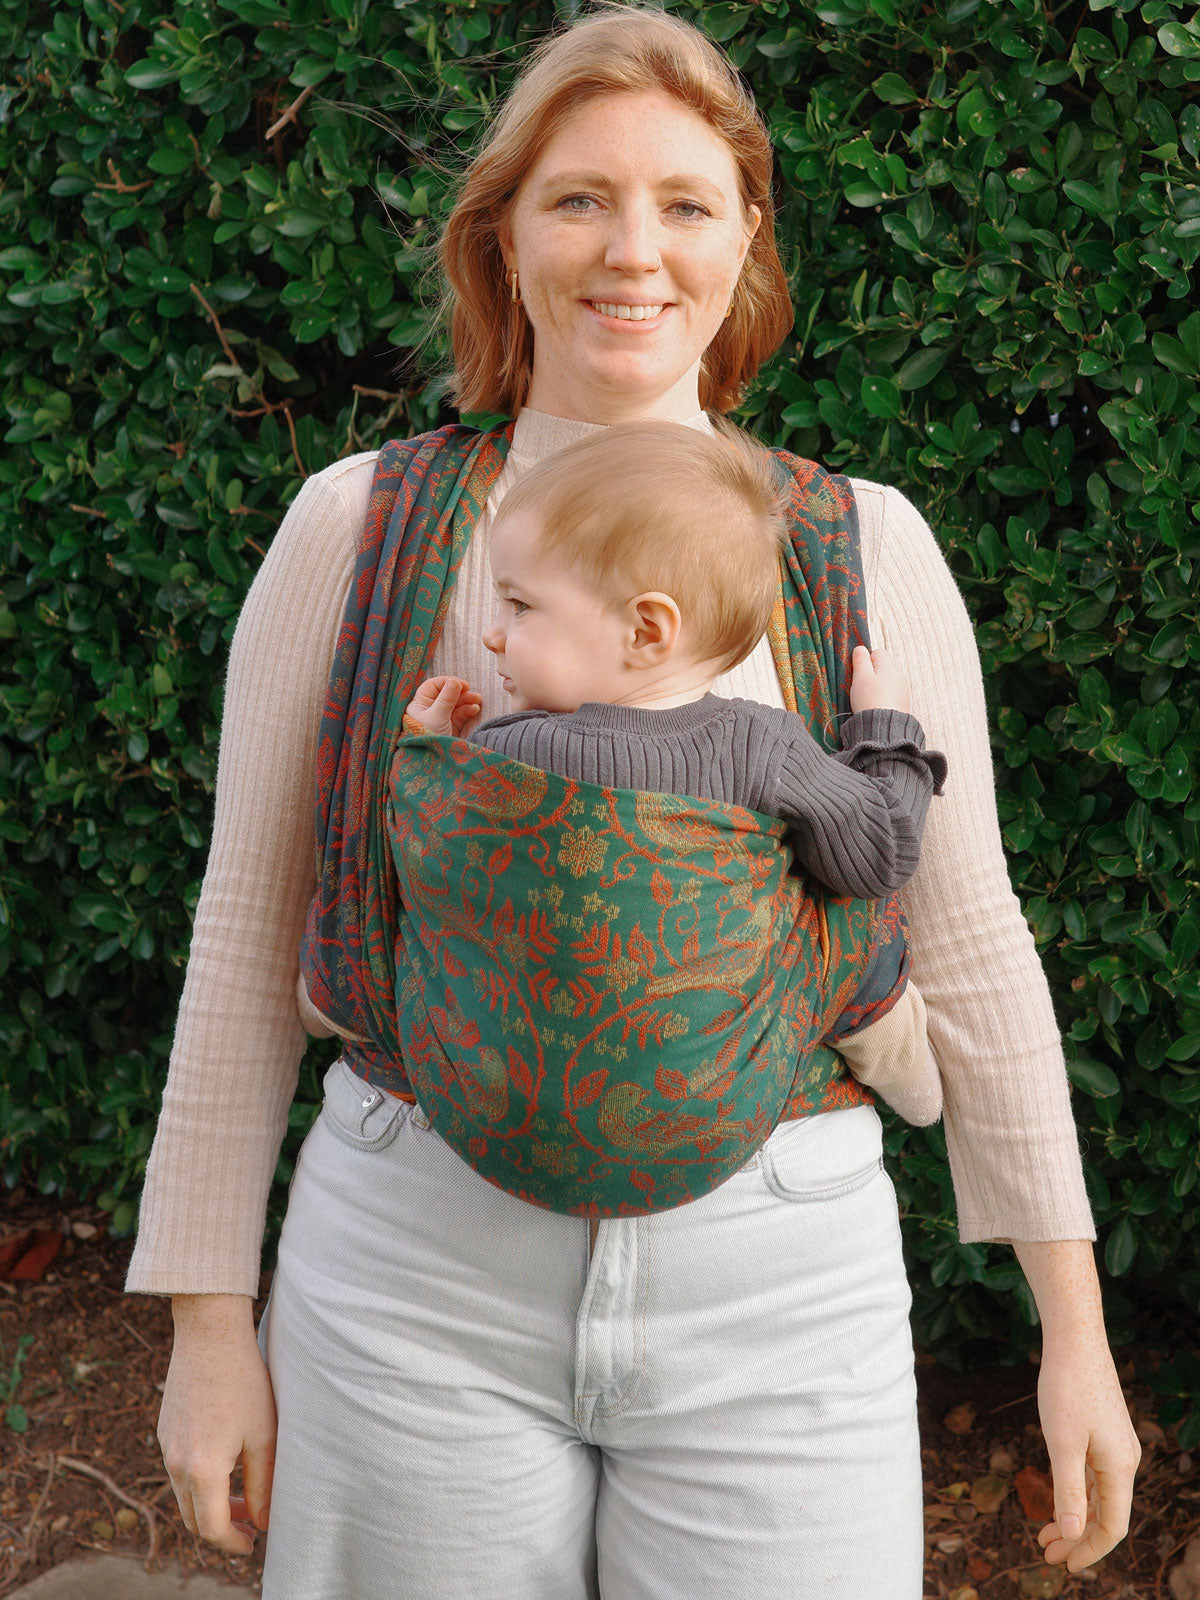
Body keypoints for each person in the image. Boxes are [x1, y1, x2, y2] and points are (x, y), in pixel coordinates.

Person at [131, 7, 1140, 1599]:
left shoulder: (854, 543)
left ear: (745, 238)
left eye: (685, 202)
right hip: (409, 1278)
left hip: (782, 1283)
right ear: (505, 236)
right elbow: (248, 924)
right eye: (578, 197)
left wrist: (1074, 1334)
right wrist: (206, 1323)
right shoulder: (362, 529)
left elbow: (976, 939)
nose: (633, 252)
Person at [405, 419, 948, 1129]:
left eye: (519, 605)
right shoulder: (765, 746)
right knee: (845, 933)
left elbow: (428, 853)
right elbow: (882, 854)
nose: (491, 632)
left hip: (511, 1102)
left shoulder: (506, 749)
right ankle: (906, 1073)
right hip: (716, 1108)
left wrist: (430, 746)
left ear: (647, 630)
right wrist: (886, 731)